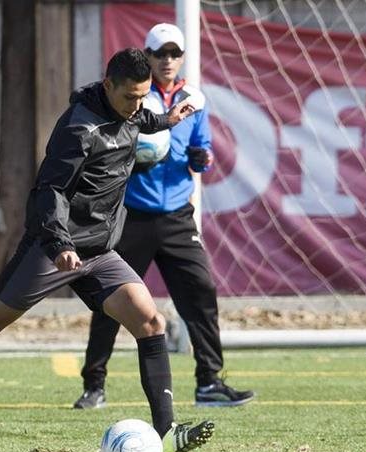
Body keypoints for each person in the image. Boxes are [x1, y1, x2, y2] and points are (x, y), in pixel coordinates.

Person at [0, 48, 214, 452]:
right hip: (52, 248)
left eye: (143, 97)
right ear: (108, 85)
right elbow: (48, 193)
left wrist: (168, 119)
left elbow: (142, 119)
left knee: (149, 321)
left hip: (99, 252)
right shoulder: (78, 129)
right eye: (130, 96)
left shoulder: (132, 111)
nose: (137, 106)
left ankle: (165, 434)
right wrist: (60, 245)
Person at [73, 24, 254, 410]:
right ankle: (94, 385)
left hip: (177, 216)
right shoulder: (135, 97)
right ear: (149, 57)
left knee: (200, 292)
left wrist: (200, 158)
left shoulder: (194, 99)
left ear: (182, 58)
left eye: (174, 53)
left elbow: (200, 147)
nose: (167, 60)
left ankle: (209, 382)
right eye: (160, 54)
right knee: (111, 299)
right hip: (133, 215)